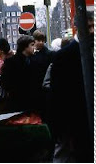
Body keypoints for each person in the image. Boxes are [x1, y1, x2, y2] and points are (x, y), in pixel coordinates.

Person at [48, 13, 93, 162]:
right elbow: (57, 93)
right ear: (77, 27)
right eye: (88, 27)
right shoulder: (63, 56)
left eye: (93, 26)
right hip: (76, 120)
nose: (92, 31)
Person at [0, 35, 37, 114]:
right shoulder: (11, 62)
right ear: (25, 47)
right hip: (16, 100)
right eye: (32, 45)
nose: (34, 47)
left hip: (31, 101)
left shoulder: (34, 60)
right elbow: (4, 81)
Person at [30, 30, 53, 119]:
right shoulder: (31, 54)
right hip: (36, 88)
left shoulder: (49, 54)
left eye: (42, 40)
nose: (41, 42)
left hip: (45, 88)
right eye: (38, 40)